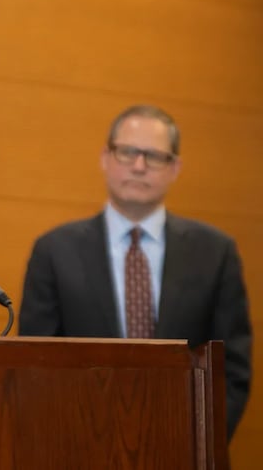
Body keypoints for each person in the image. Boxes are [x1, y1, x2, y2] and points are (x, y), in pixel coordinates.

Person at [18, 104, 252, 441]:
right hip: (79, 447)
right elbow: (36, 366)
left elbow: (232, 369)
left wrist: (200, 444)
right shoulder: (54, 251)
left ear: (175, 168)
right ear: (105, 158)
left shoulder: (216, 252)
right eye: (128, 152)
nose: (139, 166)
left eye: (155, 156)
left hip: (186, 447)